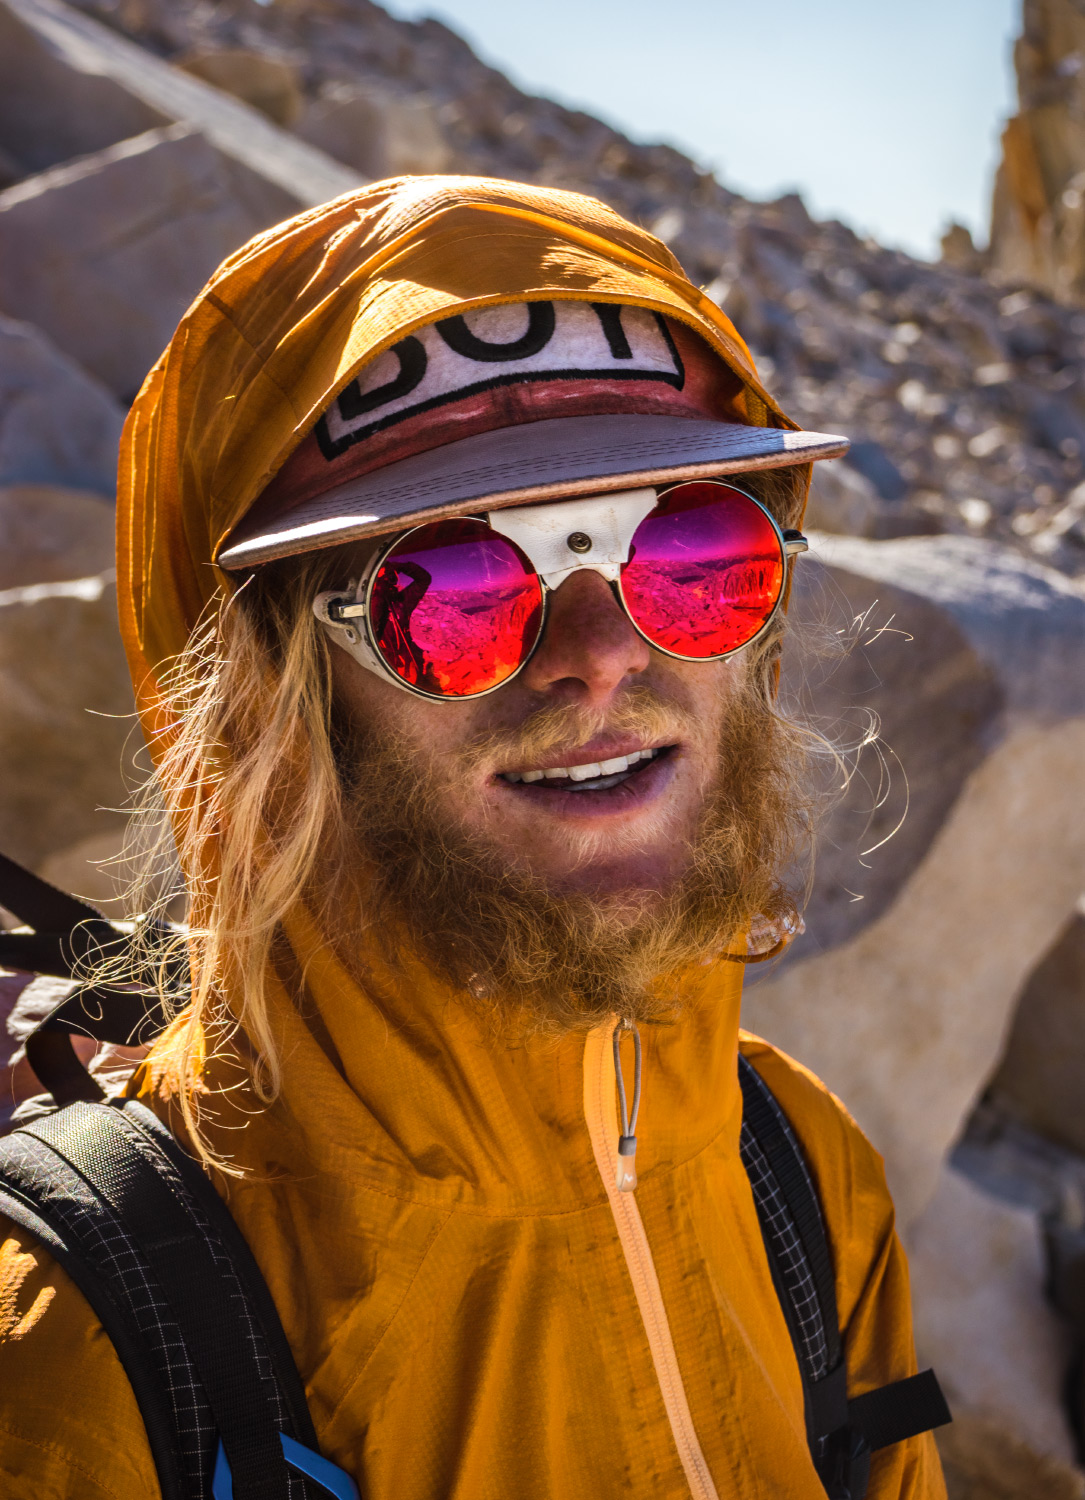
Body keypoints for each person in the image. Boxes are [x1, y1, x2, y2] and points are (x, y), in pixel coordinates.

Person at [0, 176, 947, 1499]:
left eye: (689, 551)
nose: (601, 657)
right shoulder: (81, 1334)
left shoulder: (797, 1167)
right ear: (272, 698)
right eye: (450, 588)